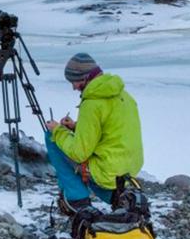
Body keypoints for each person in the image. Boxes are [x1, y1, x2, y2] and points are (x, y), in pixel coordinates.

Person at [45, 53, 144, 213]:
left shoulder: (92, 103)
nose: (73, 87)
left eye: (74, 82)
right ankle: (117, 197)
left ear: (85, 78)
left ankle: (77, 200)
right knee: (65, 139)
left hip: (107, 173)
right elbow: (110, 131)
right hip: (128, 171)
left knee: (51, 138)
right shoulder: (124, 95)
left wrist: (57, 131)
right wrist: (76, 127)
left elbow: (79, 153)